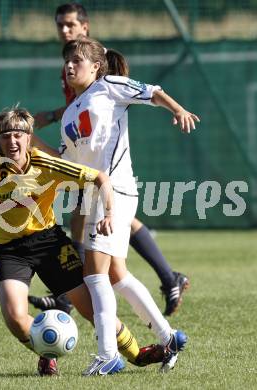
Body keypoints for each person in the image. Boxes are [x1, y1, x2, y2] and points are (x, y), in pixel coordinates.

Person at [0, 108, 168, 376]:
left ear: (29, 137)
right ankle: (47, 353)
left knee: (92, 311)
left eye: (18, 135)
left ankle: (137, 354)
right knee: (15, 318)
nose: (12, 141)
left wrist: (110, 213)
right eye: (6, 136)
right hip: (9, 251)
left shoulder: (46, 164)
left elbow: (100, 178)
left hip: (49, 244)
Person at [34, 36, 199, 375]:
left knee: (94, 273)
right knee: (115, 274)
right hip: (96, 194)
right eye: (66, 60)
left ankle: (107, 354)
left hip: (115, 190)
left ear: (96, 66)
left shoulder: (108, 86)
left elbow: (152, 91)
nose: (68, 65)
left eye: (76, 60)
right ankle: (168, 337)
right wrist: (32, 144)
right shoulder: (69, 115)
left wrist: (178, 108)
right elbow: (67, 163)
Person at [30, 2, 189, 317]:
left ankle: (72, 299)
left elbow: (109, 95)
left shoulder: (90, 58)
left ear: (85, 27)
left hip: (104, 157)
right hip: (82, 151)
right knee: (109, 256)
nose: (64, 30)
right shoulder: (70, 64)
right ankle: (165, 285)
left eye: (71, 24)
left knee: (102, 229)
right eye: (60, 24)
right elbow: (78, 108)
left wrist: (176, 108)